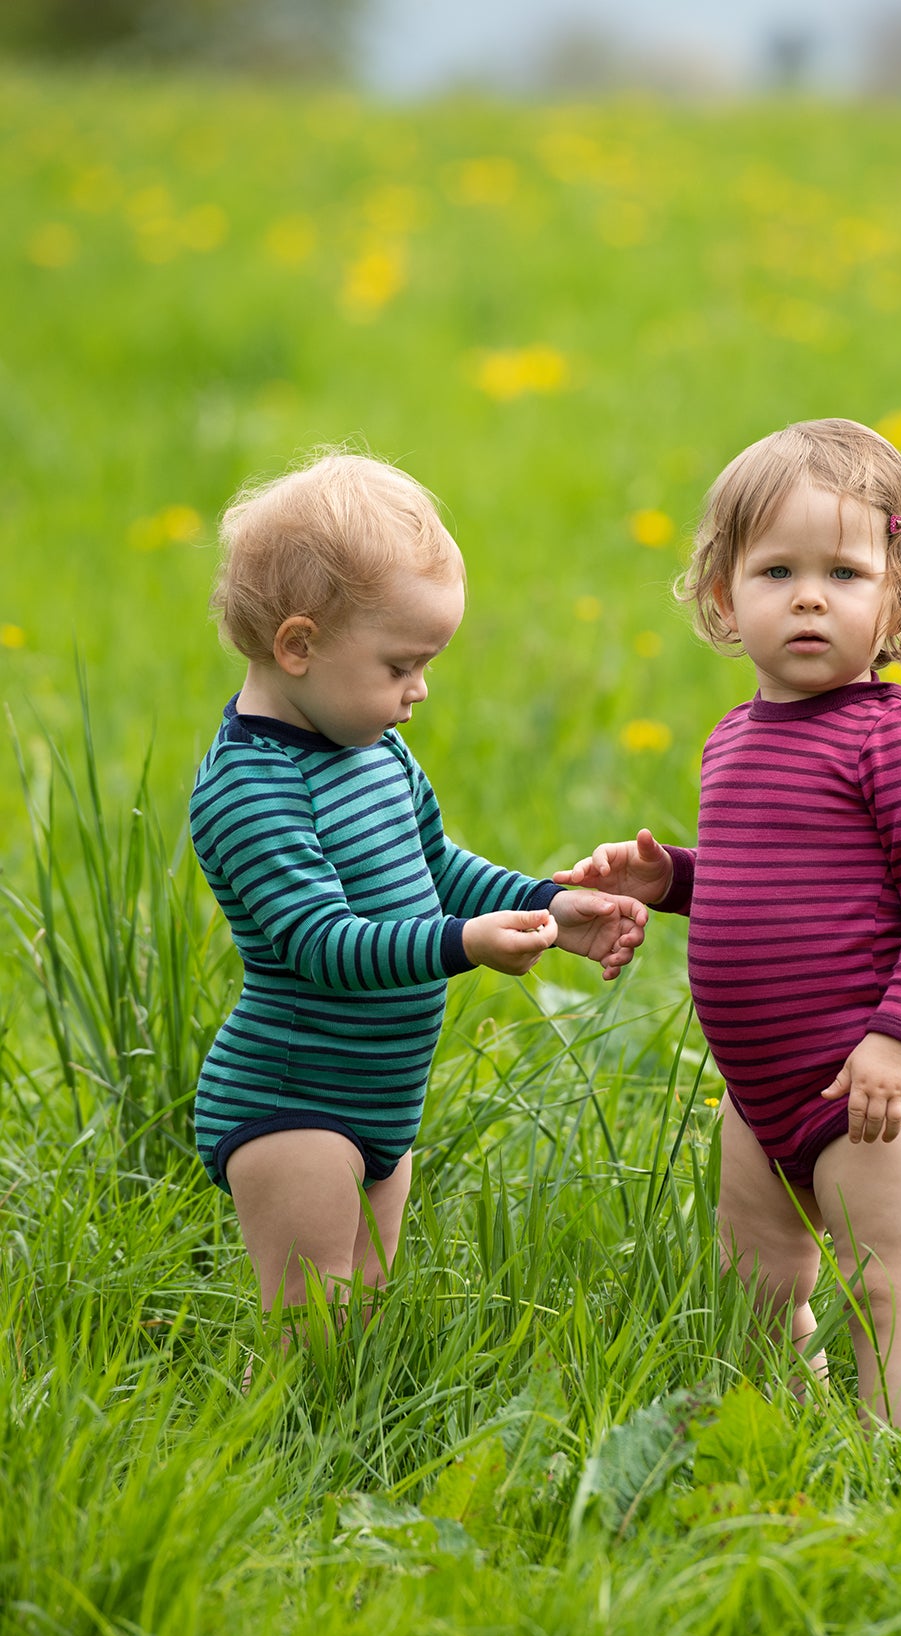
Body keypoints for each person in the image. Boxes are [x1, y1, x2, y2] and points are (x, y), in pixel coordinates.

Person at [557, 418, 901, 1437]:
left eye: (842, 570)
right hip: (756, 1094)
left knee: (883, 1295)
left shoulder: (891, 732)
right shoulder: (733, 739)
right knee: (756, 1289)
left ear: (898, 598)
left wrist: (896, 1038)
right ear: (722, 596)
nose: (805, 595)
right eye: (775, 569)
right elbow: (771, 880)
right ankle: (788, 1439)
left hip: (867, 1089)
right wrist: (672, 881)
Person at [191, 451, 648, 1322]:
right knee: (311, 1318)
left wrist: (549, 902)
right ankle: (279, 1446)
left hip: (381, 1096)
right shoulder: (250, 788)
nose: (420, 690)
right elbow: (318, 944)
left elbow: (437, 865)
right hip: (293, 1099)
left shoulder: (372, 750)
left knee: (362, 1307)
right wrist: (461, 944)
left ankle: (335, 1442)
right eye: (400, 665)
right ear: (299, 646)